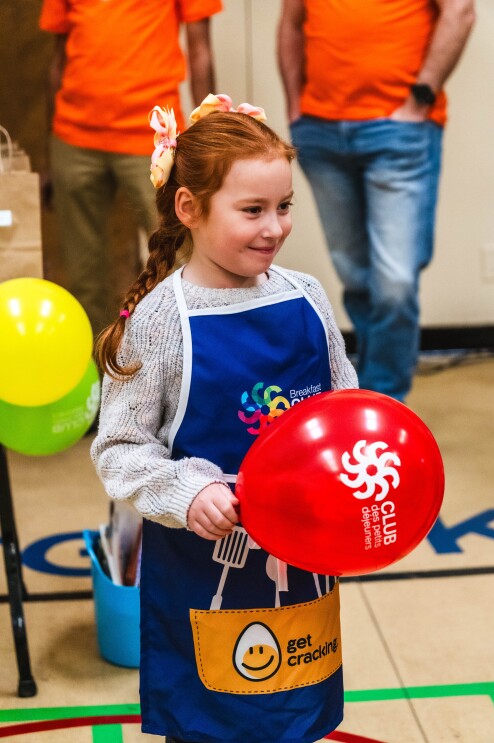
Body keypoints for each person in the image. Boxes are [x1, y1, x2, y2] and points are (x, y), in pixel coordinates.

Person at [91, 93, 358, 743]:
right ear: (190, 209)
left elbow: (345, 413)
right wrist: (190, 491)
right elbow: (120, 450)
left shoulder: (307, 297)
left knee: (294, 710)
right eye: (252, 210)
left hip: (300, 568)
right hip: (200, 569)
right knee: (212, 717)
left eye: (284, 206)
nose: (274, 226)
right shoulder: (159, 321)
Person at [277, 0, 475, 402]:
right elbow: (292, 24)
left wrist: (421, 97)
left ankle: (381, 402)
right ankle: (369, 387)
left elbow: (460, 10)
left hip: (398, 131)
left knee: (395, 283)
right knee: (356, 276)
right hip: (320, 130)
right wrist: (296, 107)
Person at [39, 0, 222, 337]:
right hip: (73, 137)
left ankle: (193, 357)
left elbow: (201, 52)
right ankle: (95, 375)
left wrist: (208, 141)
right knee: (83, 277)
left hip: (152, 139)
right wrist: (49, 154)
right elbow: (58, 59)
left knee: (184, 260)